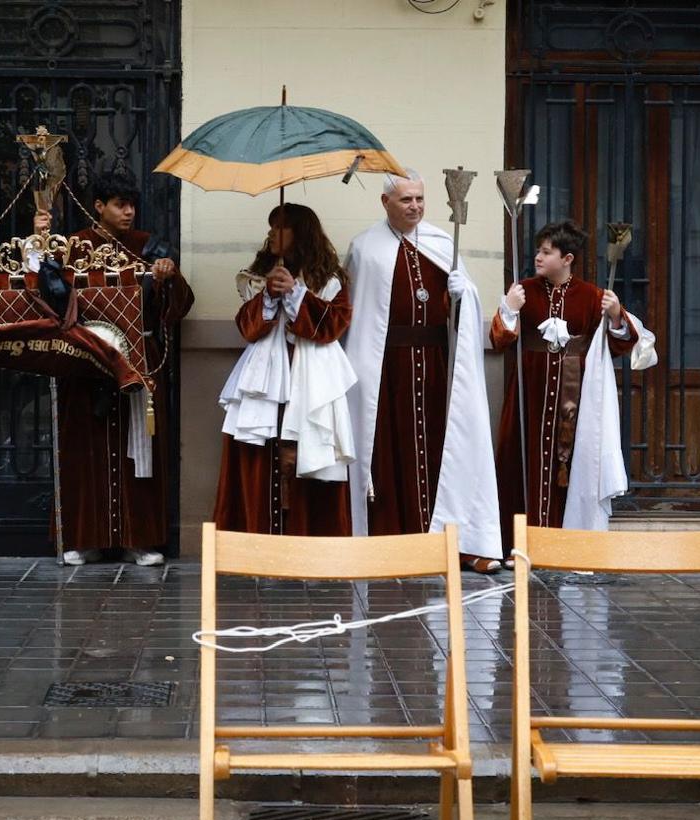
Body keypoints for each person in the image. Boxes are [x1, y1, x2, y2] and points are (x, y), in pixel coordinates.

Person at [344, 170, 503, 573]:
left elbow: (464, 309)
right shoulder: (364, 248)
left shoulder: (442, 242)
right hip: (386, 368)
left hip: (435, 366)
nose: (414, 206)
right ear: (385, 203)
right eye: (405, 200)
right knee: (388, 450)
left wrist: (461, 295)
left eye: (419, 199)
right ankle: (393, 541)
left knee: (442, 447)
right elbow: (355, 314)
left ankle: (454, 541)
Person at [35, 172, 194, 566]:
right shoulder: (73, 247)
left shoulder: (149, 247)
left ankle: (138, 541)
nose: (129, 212)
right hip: (86, 362)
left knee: (137, 454)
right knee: (85, 450)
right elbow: (45, 294)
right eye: (120, 204)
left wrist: (168, 279)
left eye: (132, 204)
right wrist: (38, 247)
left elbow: (179, 304)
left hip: (137, 360)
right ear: (99, 207)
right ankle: (84, 539)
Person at [491, 219, 638, 553]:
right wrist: (509, 310)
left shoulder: (591, 296)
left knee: (568, 467)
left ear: (567, 258)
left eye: (546, 252)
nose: (538, 258)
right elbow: (499, 339)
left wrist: (615, 314)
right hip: (528, 395)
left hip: (575, 399)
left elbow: (620, 344)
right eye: (538, 251)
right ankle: (517, 544)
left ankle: (562, 544)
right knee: (520, 463)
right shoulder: (523, 290)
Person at [212, 203, 356, 536]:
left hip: (312, 380)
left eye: (279, 227)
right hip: (265, 380)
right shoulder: (257, 275)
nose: (271, 234)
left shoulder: (329, 278)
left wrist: (296, 293)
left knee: (308, 456)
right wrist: (268, 297)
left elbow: (332, 326)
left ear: (299, 233)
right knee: (258, 453)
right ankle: (256, 541)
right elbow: (248, 329)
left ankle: (308, 543)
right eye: (271, 227)